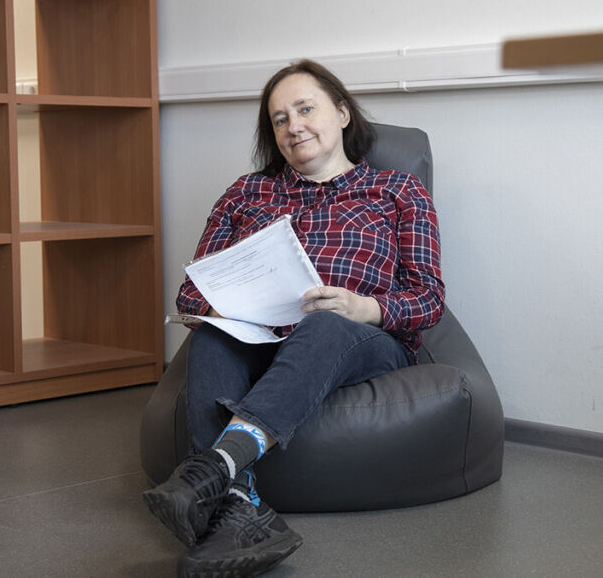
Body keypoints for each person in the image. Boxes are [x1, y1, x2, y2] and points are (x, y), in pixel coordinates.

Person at [143, 59, 445, 577]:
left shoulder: (397, 192)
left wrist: (362, 308)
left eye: (306, 109)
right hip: (257, 336)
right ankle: (240, 511)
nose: (293, 126)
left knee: (325, 323)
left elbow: (429, 299)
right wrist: (221, 308)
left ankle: (210, 468)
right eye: (280, 119)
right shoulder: (246, 193)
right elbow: (192, 291)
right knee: (211, 336)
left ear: (342, 113)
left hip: (357, 338)